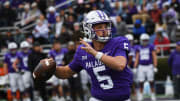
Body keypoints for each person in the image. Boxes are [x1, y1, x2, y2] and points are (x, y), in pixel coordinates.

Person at [46, 10, 132, 101]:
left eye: (106, 26)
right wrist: (52, 68)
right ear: (88, 29)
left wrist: (95, 54)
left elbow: (120, 65)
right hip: (97, 98)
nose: (104, 30)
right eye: (99, 27)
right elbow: (66, 72)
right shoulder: (83, 50)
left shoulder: (119, 42)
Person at [134, 33, 158, 101]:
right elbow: (137, 58)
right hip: (141, 66)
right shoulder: (138, 47)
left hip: (149, 66)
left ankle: (153, 95)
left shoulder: (151, 46)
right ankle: (141, 95)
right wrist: (135, 67)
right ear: (141, 40)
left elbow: (154, 57)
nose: (145, 41)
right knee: (141, 81)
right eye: (144, 40)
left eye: (146, 40)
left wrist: (155, 66)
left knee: (151, 81)